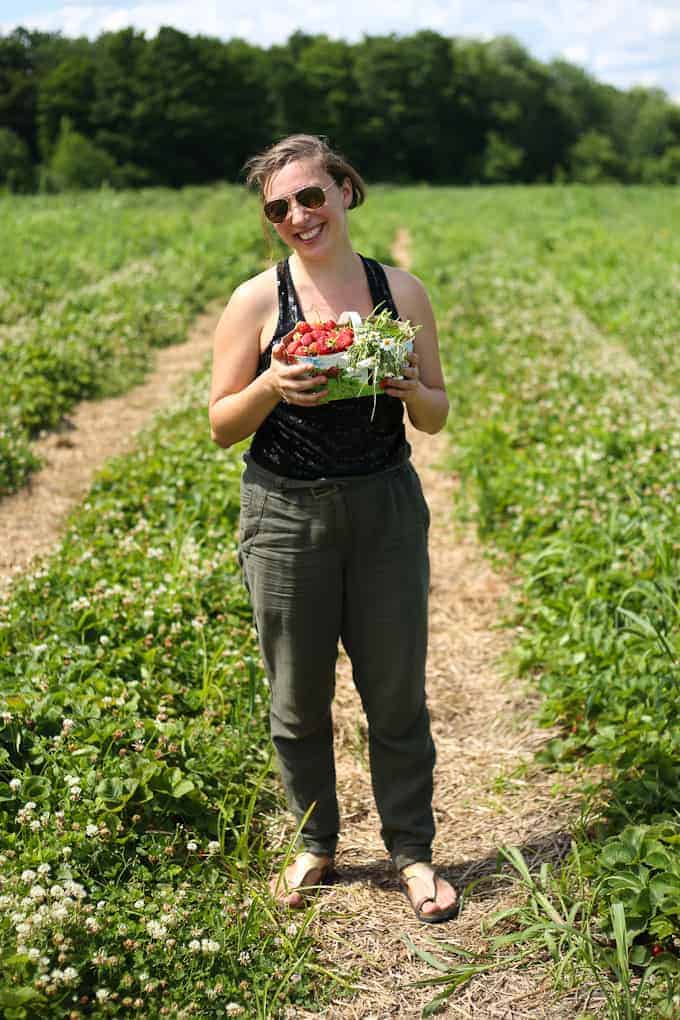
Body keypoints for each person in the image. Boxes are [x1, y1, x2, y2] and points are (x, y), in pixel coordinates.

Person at [208, 134, 457, 923]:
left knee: (395, 694)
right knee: (296, 697)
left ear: (345, 190)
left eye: (310, 196)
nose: (297, 216)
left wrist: (411, 384)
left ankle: (412, 852)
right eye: (279, 207)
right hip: (285, 513)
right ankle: (316, 842)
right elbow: (219, 423)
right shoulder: (256, 301)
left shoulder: (400, 292)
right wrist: (274, 386)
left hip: (383, 507)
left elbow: (437, 414)